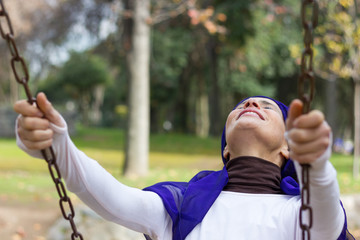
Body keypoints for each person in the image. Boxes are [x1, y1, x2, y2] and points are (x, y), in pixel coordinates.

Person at [13, 92, 353, 240]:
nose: (250, 103)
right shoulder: (182, 208)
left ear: (287, 149)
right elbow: (112, 197)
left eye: (266, 106)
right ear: (225, 153)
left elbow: (326, 214)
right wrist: (57, 142)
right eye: (241, 106)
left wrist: (315, 164)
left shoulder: (299, 214)